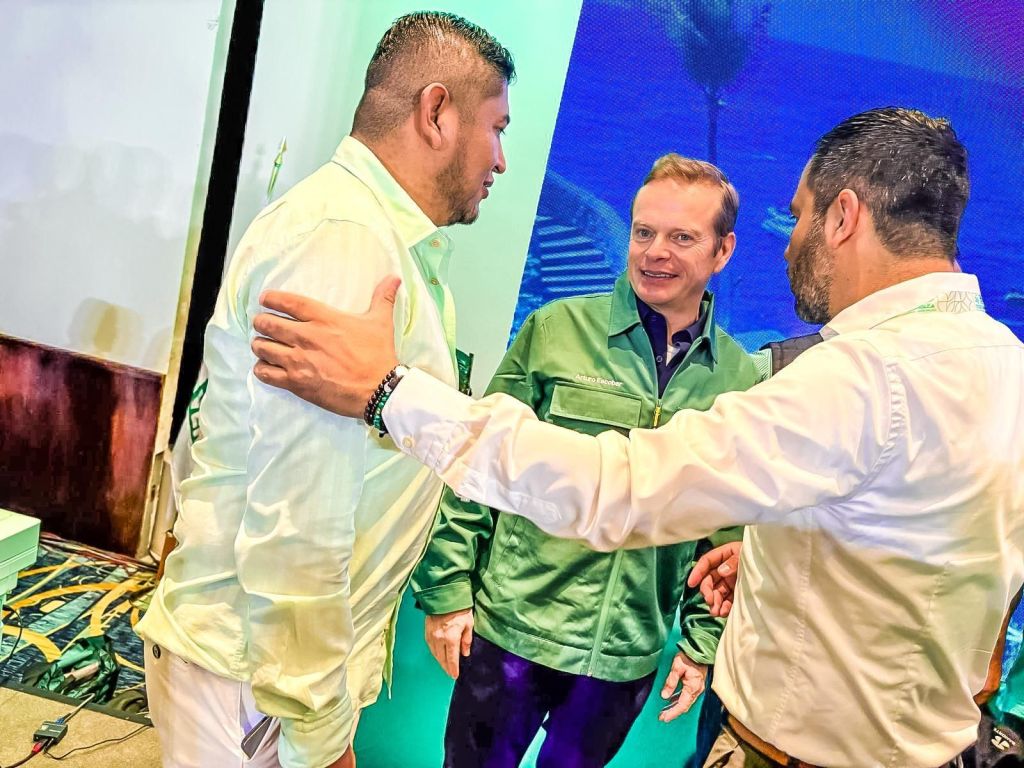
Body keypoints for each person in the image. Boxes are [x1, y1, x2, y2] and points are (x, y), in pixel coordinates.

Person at [250, 107, 1024, 768]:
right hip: (916, 745)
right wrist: (774, 560)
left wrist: (389, 392)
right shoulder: (1006, 368)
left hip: (753, 730)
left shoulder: (849, 378)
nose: (790, 243)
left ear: (844, 216)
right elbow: (937, 545)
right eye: (645, 231)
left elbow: (615, 489)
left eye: (799, 217)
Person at [135, 12, 513, 768]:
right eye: (497, 129)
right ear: (436, 112)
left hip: (262, 680)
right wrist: (318, 733)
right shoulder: (345, 241)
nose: (500, 160)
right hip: (255, 684)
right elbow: (296, 526)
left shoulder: (375, 237)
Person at [413, 154, 756, 768]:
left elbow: (725, 530)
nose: (654, 252)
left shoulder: (739, 379)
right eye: (643, 232)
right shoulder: (554, 330)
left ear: (722, 251)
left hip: (624, 658)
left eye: (681, 238)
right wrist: (446, 591)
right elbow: (477, 465)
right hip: (513, 630)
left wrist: (700, 644)